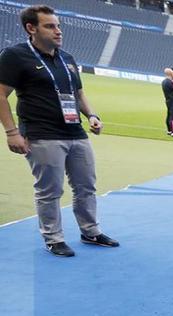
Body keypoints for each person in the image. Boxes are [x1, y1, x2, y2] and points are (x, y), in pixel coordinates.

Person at [0, 4, 118, 257]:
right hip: (42, 134)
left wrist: (92, 115)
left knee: (86, 186)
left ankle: (91, 231)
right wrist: (12, 133)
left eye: (58, 26)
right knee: (50, 190)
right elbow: (1, 95)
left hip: (76, 133)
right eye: (50, 26)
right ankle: (54, 238)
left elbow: (78, 93)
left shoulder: (67, 59)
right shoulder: (15, 55)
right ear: (31, 28)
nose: (58, 31)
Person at [162, 67, 173, 137]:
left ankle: (169, 130)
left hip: (168, 100)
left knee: (169, 115)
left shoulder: (164, 81)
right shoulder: (171, 82)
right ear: (170, 73)